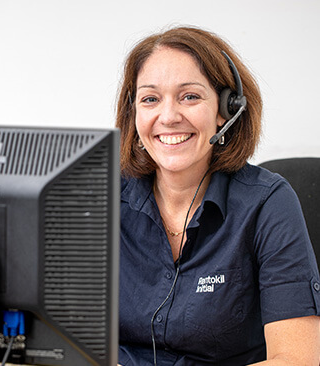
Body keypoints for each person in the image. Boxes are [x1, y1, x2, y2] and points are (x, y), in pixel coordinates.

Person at [115, 26, 320, 366]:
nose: (168, 117)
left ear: (227, 109)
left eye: (190, 97)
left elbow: (298, 358)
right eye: (150, 99)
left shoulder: (268, 203)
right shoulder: (101, 199)